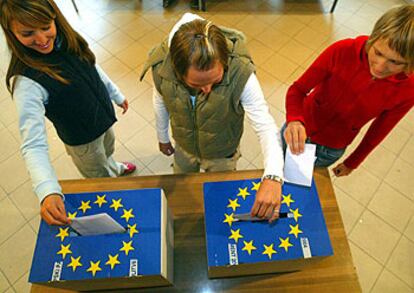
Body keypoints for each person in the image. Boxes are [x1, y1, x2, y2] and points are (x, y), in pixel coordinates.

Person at [0, 0, 136, 225]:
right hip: (82, 141)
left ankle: (116, 168)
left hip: (103, 119)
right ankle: (114, 184)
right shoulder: (26, 82)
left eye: (45, 27)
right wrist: (47, 190)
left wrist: (116, 94)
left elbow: (92, 66)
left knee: (108, 149)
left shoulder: (67, 39)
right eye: (27, 33)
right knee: (100, 175)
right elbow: (33, 143)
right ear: (11, 33)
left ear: (55, 17)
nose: (42, 40)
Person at [140, 13, 285, 222]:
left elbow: (265, 125)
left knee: (222, 199)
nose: (207, 89)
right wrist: (162, 137)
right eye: (196, 85)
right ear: (177, 72)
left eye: (215, 81)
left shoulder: (241, 73)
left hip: (222, 153)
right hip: (184, 147)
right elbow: (160, 100)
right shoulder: (161, 67)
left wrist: (273, 176)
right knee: (182, 196)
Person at [283, 4, 414, 177]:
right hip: (298, 127)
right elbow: (297, 90)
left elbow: (378, 131)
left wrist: (353, 162)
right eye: (378, 53)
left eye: (395, 62)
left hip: (329, 149)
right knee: (277, 167)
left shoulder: (409, 89)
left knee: (299, 181)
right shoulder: (342, 51)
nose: (380, 67)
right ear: (373, 38)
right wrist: (294, 120)